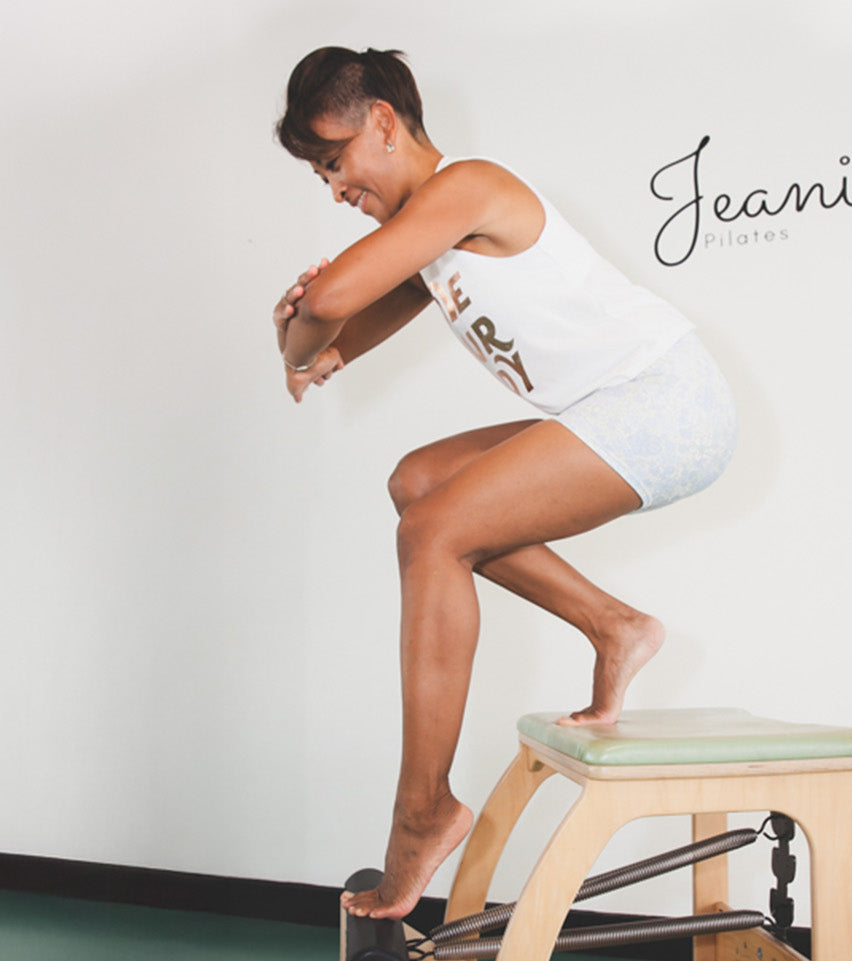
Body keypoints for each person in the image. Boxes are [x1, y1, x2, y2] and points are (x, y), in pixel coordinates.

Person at [273, 47, 738, 920]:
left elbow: (323, 310)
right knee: (420, 484)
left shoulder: (468, 187)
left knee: (434, 531)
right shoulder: (430, 245)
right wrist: (307, 333)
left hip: (667, 398)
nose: (334, 188)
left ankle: (423, 809)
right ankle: (614, 624)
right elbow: (317, 349)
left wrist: (305, 321)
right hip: (619, 407)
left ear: (383, 121)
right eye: (319, 174)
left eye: (334, 160)